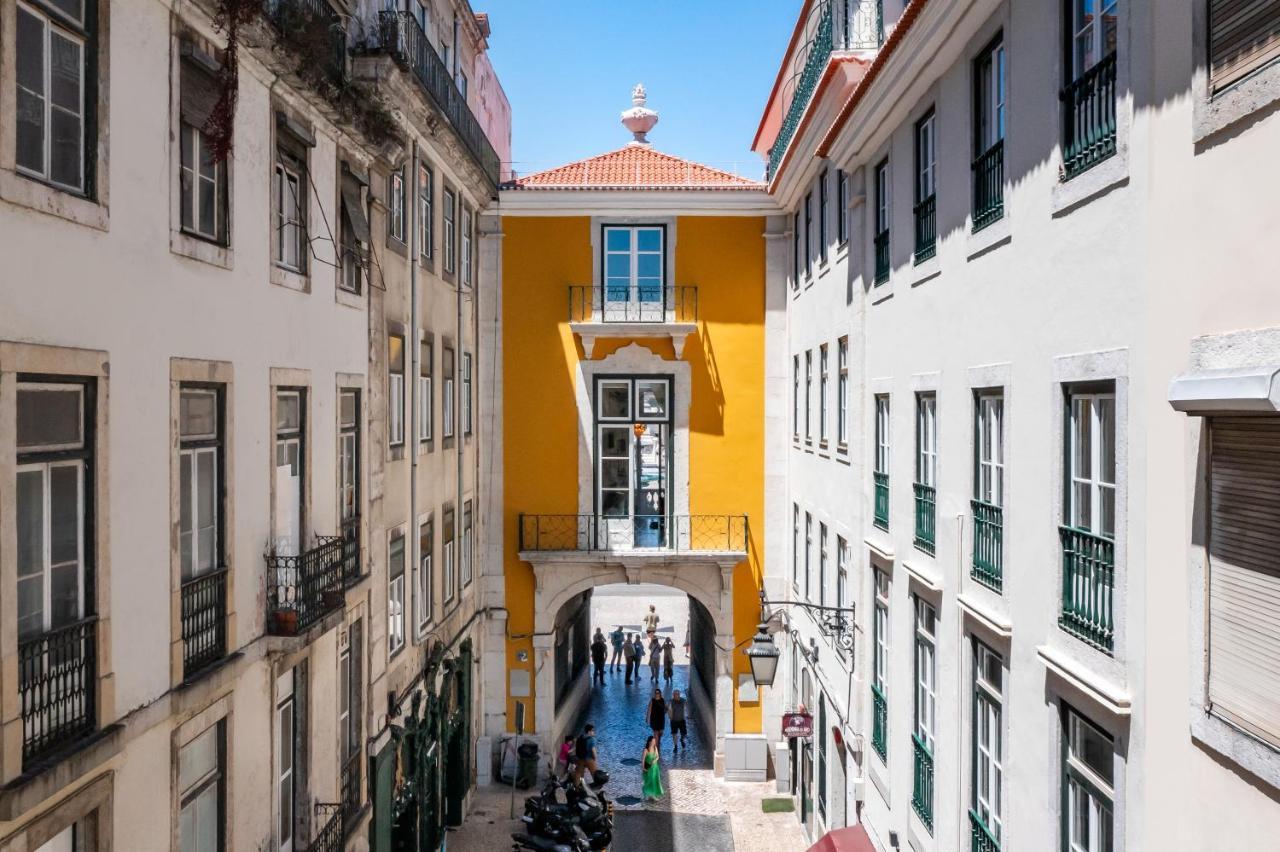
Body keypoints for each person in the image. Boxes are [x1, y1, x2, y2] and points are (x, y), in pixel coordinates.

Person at [641, 735, 664, 801]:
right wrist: (643, 768)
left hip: (655, 768)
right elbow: (643, 760)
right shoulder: (646, 750)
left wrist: (655, 760)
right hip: (648, 768)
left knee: (654, 781)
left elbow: (657, 756)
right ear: (649, 742)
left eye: (654, 741)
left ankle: (652, 795)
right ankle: (646, 792)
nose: (654, 742)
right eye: (653, 741)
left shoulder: (655, 748)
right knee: (649, 781)